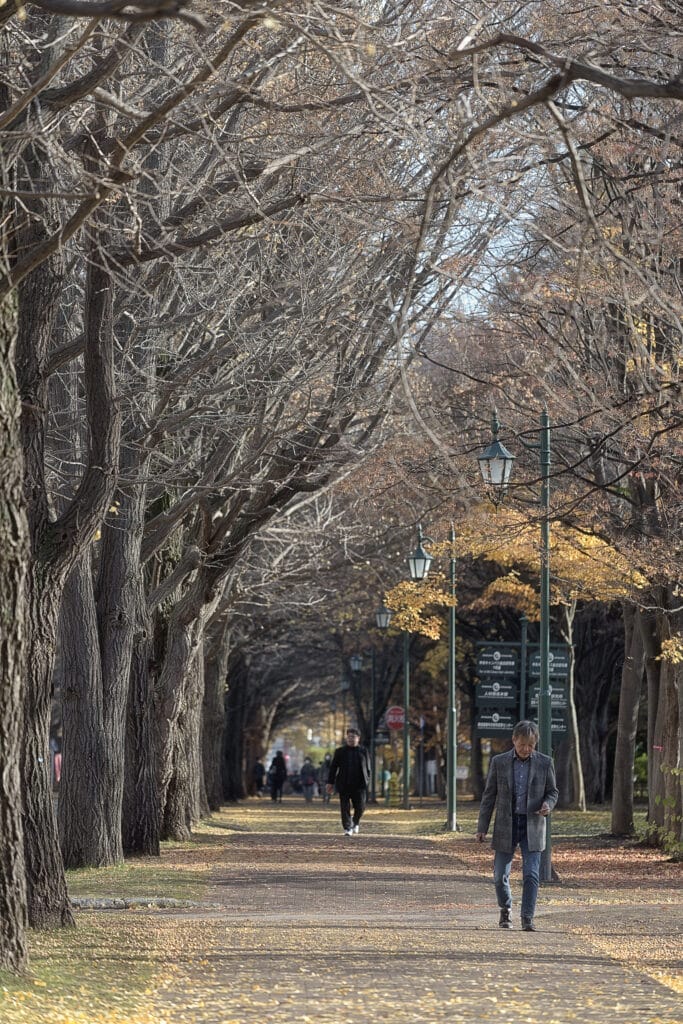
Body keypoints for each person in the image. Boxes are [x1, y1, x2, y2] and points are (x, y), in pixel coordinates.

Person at [476, 720, 559, 932]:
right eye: (522, 744)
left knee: (531, 874)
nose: (526, 749)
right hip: (506, 823)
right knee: (499, 876)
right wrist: (482, 827)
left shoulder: (544, 762)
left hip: (533, 824)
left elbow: (553, 791)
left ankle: (527, 917)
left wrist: (548, 805)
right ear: (514, 740)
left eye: (531, 745)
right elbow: (489, 796)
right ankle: (505, 909)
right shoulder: (499, 762)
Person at [326, 728, 371, 836]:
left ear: (358, 739)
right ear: (346, 738)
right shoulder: (340, 752)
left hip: (359, 785)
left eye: (353, 737)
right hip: (344, 784)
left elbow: (368, 768)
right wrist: (330, 782)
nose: (351, 739)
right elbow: (333, 768)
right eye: (349, 737)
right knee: (344, 807)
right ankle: (347, 828)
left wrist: (368, 780)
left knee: (360, 807)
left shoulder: (363, 751)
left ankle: (355, 822)